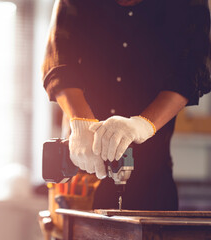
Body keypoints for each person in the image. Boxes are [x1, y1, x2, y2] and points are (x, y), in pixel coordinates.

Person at [42, 0, 211, 210]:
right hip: (82, 174)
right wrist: (81, 122)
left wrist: (142, 125)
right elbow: (58, 61)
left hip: (152, 179)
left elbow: (192, 72)